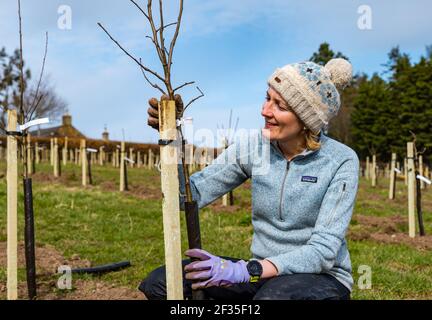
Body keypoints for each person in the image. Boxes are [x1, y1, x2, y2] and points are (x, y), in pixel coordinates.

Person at [139, 58, 359, 300]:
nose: (265, 111)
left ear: (307, 120)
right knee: (162, 283)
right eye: (267, 98)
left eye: (280, 106)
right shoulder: (254, 147)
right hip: (260, 274)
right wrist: (171, 139)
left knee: (271, 298)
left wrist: (245, 270)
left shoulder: (341, 160)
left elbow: (323, 251)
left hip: (321, 278)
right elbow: (188, 196)